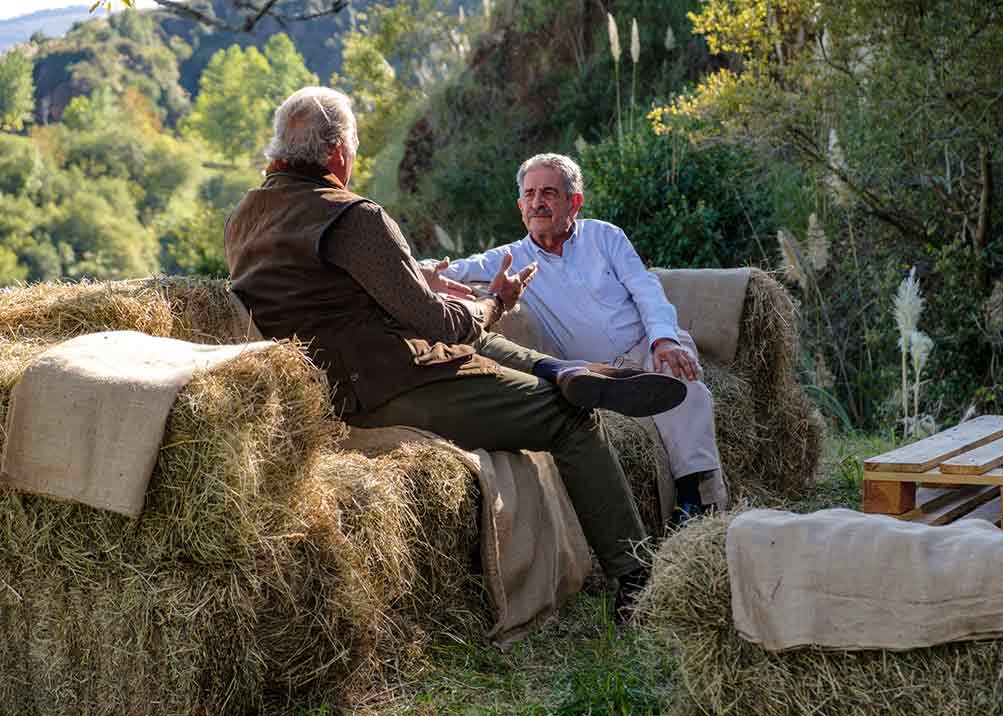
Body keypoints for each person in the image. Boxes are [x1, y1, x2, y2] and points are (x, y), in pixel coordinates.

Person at [225, 88, 682, 622]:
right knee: (568, 417)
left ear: (281, 150)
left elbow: (321, 292)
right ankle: (634, 578)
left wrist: (429, 288)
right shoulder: (352, 217)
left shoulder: (246, 217)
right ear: (337, 155)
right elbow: (435, 322)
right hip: (387, 386)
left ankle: (560, 367)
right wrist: (494, 302)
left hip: (326, 380)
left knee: (476, 338)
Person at [435, 153, 729, 519]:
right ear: (519, 205)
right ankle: (617, 400)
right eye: (529, 195)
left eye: (548, 193)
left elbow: (646, 290)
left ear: (575, 202)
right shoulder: (510, 258)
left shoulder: (605, 236)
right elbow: (451, 270)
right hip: (595, 371)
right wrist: (417, 270)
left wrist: (663, 339)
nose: (537, 202)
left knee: (684, 384)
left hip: (645, 344)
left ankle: (696, 498)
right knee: (599, 384)